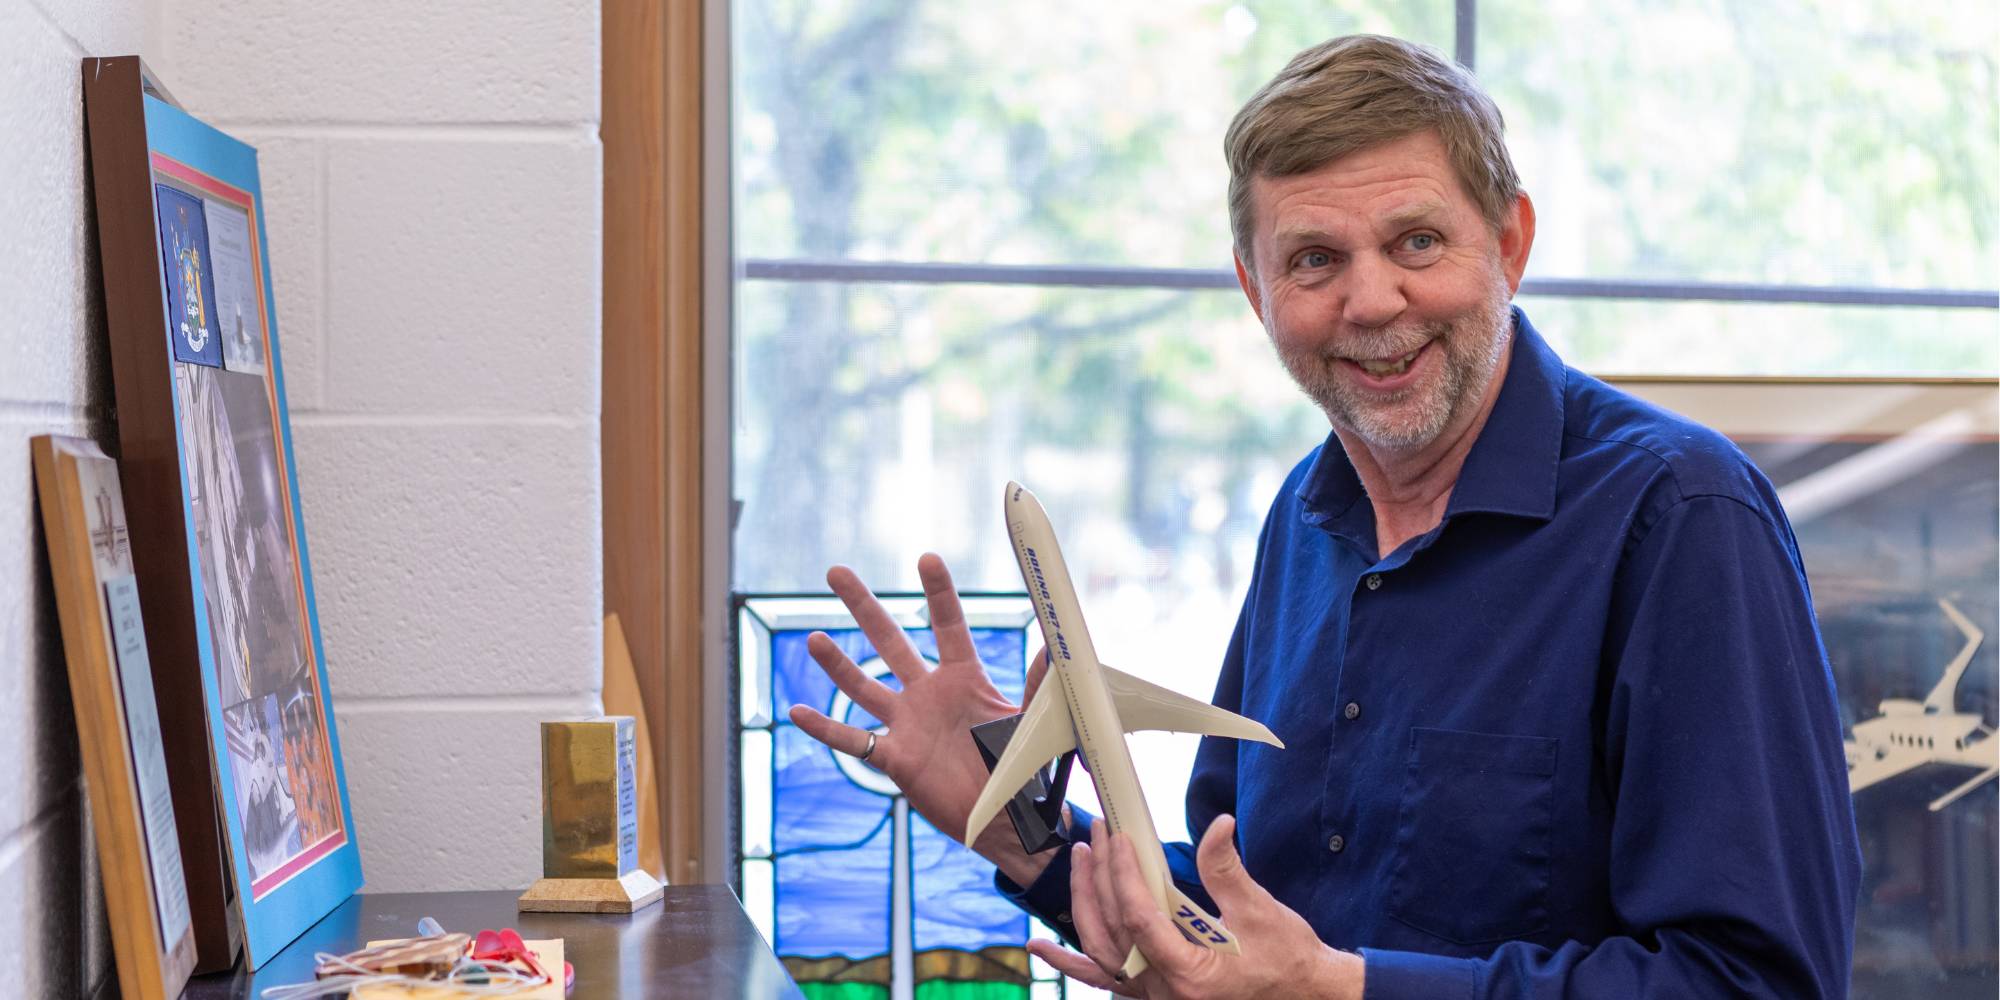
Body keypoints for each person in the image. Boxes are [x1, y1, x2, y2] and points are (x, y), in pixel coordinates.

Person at [788, 33, 1861, 999]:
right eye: (1313, 260)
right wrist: (1024, 833)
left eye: (1415, 244)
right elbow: (1235, 924)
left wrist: (1344, 991)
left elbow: (1753, 982)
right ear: (1254, 291)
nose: (1370, 302)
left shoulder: (1680, 518)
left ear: (1509, 242)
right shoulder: (1299, 522)